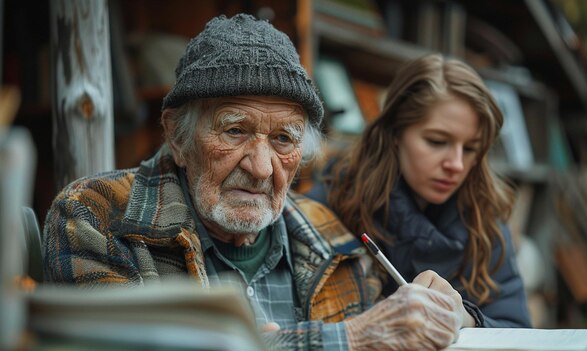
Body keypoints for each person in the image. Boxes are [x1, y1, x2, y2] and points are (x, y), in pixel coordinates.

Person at [43, 14, 479, 351]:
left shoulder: (333, 241)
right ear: (178, 136)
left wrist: (455, 314)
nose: (262, 167)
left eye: (283, 139)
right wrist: (349, 341)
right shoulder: (95, 215)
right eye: (234, 131)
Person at [307, 53, 532, 328]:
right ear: (394, 134)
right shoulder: (328, 207)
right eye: (437, 141)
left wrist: (469, 319)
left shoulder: (485, 219)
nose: (456, 164)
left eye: (471, 148)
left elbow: (517, 328)